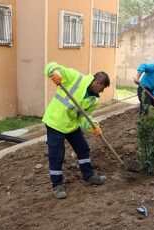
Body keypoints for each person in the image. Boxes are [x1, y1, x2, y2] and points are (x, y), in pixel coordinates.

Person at [42, 62, 109, 199]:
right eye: (102, 88)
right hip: (55, 122)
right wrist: (55, 73)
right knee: (57, 155)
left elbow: (84, 118)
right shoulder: (75, 77)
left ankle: (89, 176)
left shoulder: (93, 100)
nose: (102, 92)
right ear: (97, 83)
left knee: (83, 148)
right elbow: (51, 66)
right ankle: (57, 186)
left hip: (71, 125)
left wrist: (93, 126)